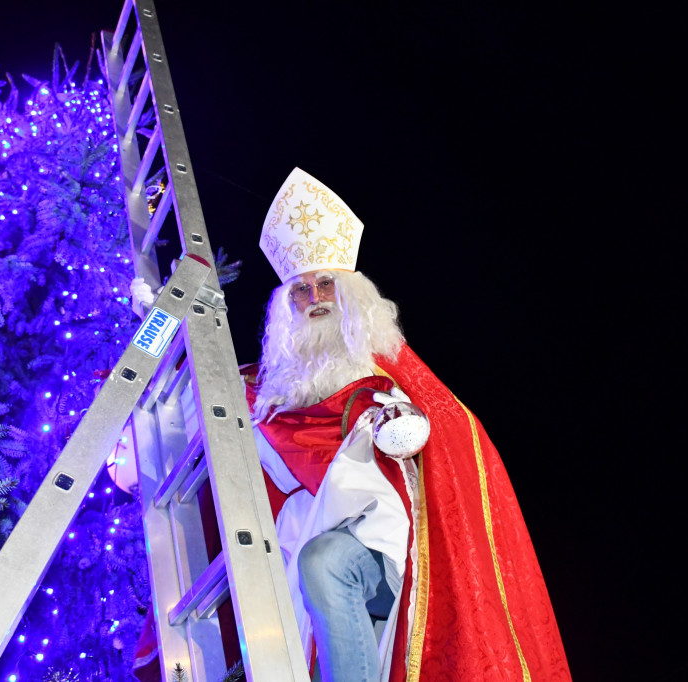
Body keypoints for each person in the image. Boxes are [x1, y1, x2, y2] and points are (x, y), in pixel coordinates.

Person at [243, 168, 572, 681]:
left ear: (351, 291)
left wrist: (403, 427)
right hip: (305, 539)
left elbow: (454, 436)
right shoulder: (275, 391)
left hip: (389, 546)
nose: (314, 300)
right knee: (312, 573)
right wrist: (162, 320)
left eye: (324, 283)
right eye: (300, 291)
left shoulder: (384, 366)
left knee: (325, 561)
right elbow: (206, 390)